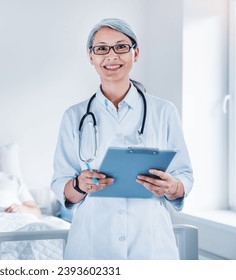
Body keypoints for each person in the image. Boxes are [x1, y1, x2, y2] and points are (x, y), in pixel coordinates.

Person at [51, 18, 194, 259]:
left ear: (135, 53)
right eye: (102, 48)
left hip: (150, 243)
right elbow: (60, 185)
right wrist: (78, 185)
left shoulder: (164, 111)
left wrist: (171, 187)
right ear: (91, 57)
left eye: (121, 47)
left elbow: (184, 176)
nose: (111, 55)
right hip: (92, 244)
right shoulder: (74, 116)